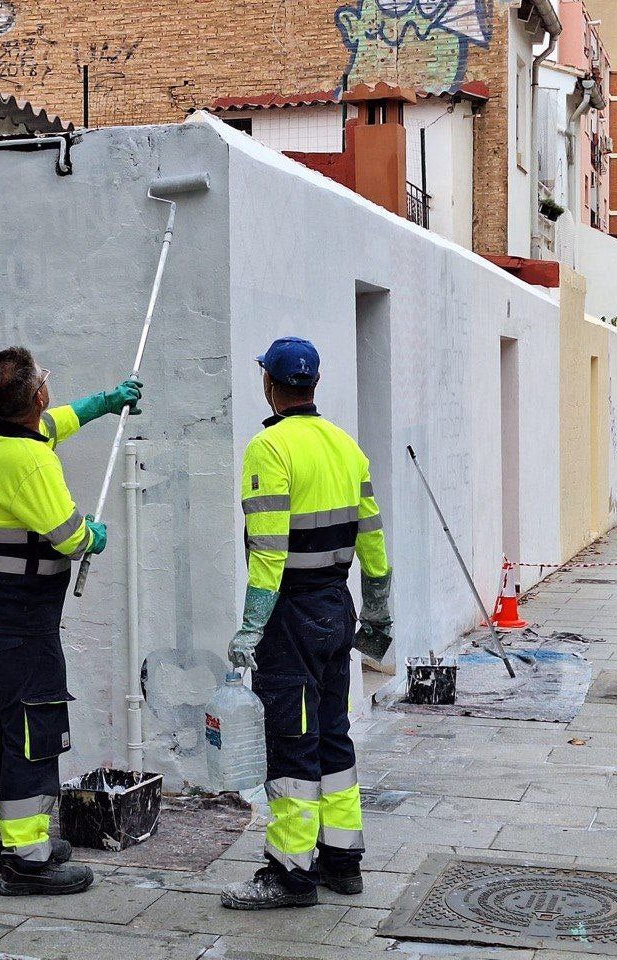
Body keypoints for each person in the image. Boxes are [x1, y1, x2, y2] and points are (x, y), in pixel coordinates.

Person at [0, 346, 141, 897]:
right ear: (37, 394)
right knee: (33, 736)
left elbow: (51, 426)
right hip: (21, 625)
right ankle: (29, 860)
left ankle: (9, 838)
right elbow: (70, 536)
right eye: (45, 383)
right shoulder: (32, 465)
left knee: (7, 732)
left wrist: (105, 404)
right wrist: (93, 536)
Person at [221, 336, 392, 911]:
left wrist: (251, 626)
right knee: (331, 732)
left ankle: (289, 872)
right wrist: (377, 613)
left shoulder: (268, 449)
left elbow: (268, 549)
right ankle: (342, 860)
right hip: (335, 607)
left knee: (291, 742)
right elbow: (373, 541)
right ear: (312, 384)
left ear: (269, 383)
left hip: (290, 616)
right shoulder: (347, 447)